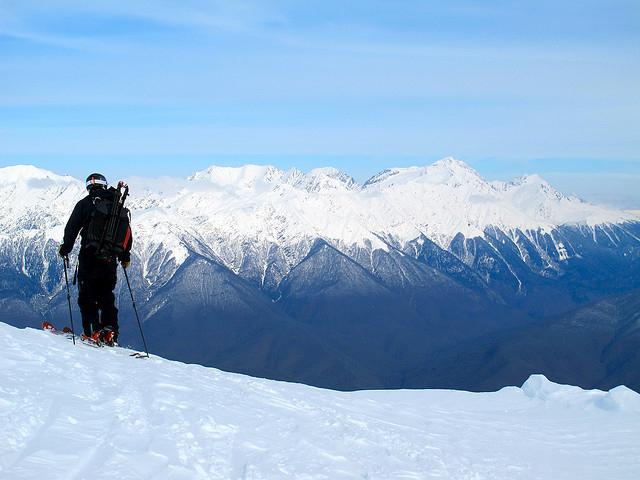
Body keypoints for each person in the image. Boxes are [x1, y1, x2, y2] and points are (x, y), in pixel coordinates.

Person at [58, 173, 132, 344]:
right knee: (106, 295)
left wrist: (65, 249)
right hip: (109, 260)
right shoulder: (116, 206)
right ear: (104, 185)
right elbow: (126, 234)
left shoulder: (84, 204)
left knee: (87, 296)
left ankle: (93, 331)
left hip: (89, 257)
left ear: (89, 186)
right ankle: (110, 330)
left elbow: (72, 228)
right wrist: (124, 256)